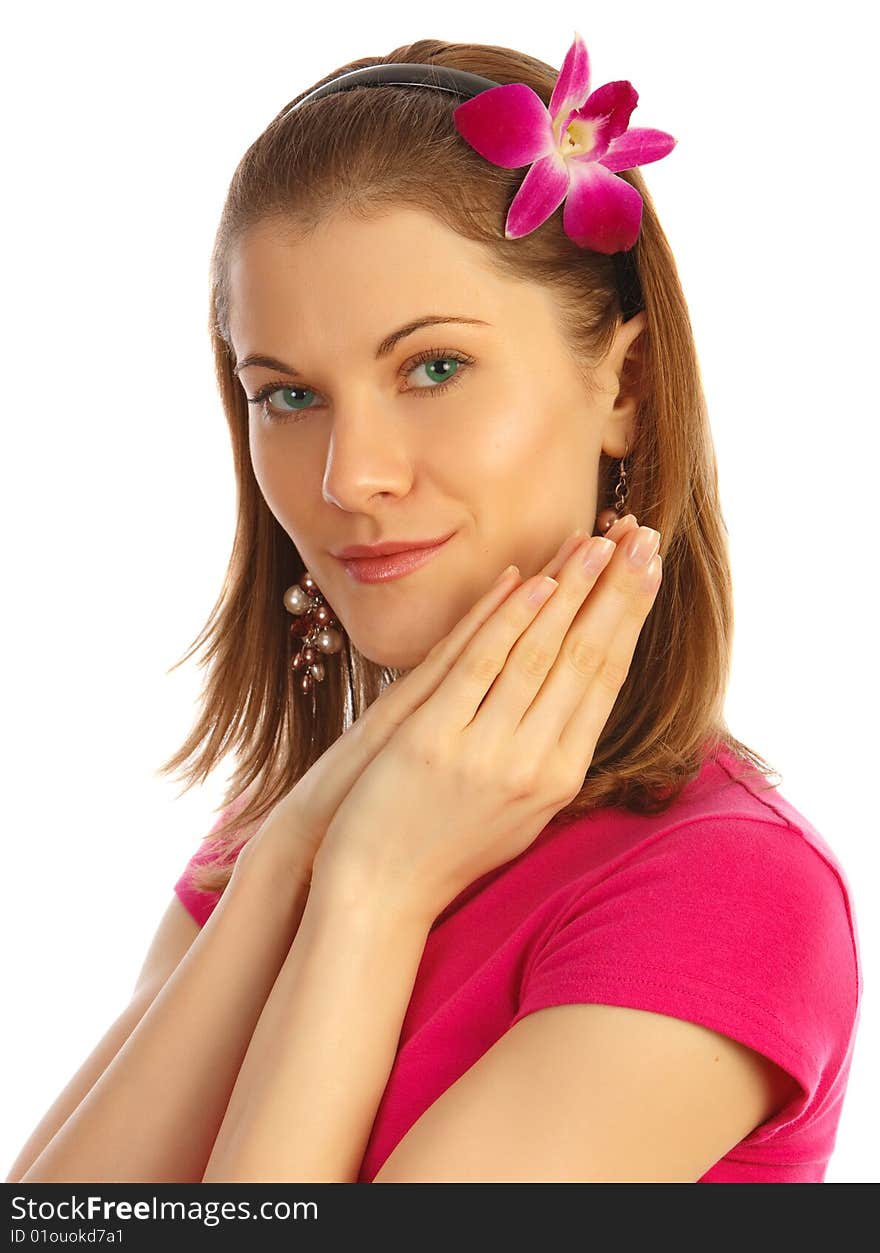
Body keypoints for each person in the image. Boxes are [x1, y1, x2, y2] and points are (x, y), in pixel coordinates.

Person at [7, 32, 861, 1185]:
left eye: (433, 369)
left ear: (625, 383)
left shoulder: (718, 892)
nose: (346, 476)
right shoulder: (266, 848)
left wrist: (370, 889)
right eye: (290, 395)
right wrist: (303, 848)